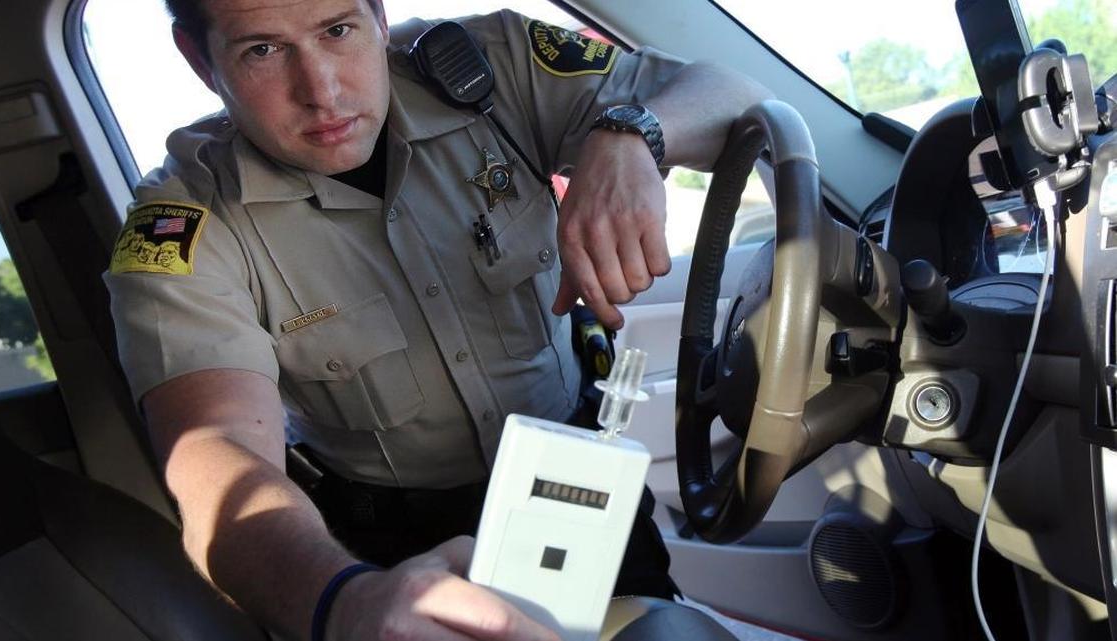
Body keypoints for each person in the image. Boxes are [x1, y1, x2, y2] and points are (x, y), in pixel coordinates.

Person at [104, 0, 771, 639]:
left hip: (577, 491)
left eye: (337, 29)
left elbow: (733, 92)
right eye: (263, 49)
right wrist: (345, 600)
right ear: (200, 61)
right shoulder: (183, 223)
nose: (321, 89)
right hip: (389, 555)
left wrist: (633, 135)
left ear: (379, 15)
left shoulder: (488, 69)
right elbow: (217, 464)